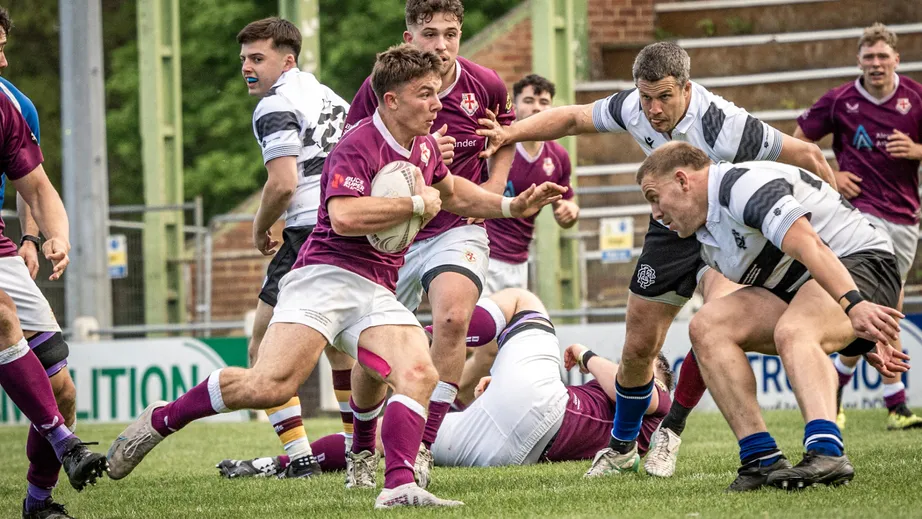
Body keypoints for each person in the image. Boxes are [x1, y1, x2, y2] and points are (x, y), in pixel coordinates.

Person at [105, 44, 565, 509]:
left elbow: (451, 193)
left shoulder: (425, 145)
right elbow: (344, 216)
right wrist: (413, 203)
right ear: (391, 100)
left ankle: (399, 485)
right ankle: (161, 419)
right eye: (425, 94)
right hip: (324, 277)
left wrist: (511, 206)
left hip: (376, 287)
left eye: (436, 94)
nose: (436, 103)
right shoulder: (357, 143)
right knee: (270, 385)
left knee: (419, 372)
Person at [477, 41, 837, 479]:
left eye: (664, 97)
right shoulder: (634, 105)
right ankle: (623, 447)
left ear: (686, 88)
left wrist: (835, 220)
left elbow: (809, 154)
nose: (652, 109)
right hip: (670, 226)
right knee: (637, 342)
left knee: (715, 323)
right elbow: (572, 117)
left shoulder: (725, 125)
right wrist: (512, 132)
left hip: (729, 230)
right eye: (645, 97)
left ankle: (676, 431)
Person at [637, 141, 908, 491]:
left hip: (860, 261)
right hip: (808, 285)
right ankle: (760, 458)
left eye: (653, 196)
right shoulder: (700, 231)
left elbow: (811, 245)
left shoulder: (742, 187)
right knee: (708, 326)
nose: (656, 213)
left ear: (682, 180)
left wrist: (854, 307)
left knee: (796, 330)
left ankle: (827, 452)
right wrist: (855, 333)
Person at [343, 0, 519, 488]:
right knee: (374, 355)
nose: (441, 45)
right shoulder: (381, 89)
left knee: (452, 317)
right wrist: (419, 165)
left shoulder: (486, 84)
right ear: (408, 39)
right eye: (429, 34)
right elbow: (354, 153)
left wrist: (492, 191)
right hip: (392, 234)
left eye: (450, 34)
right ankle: (360, 447)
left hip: (456, 224)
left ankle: (422, 446)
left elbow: (503, 139)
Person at [228, 288, 671, 479]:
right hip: (509, 453)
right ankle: (281, 463)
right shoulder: (636, 428)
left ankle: (421, 339)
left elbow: (640, 392)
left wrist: (589, 355)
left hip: (544, 412)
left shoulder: (656, 402)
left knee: (522, 302)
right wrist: (491, 395)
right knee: (389, 436)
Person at [230, 17, 358, 478]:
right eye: (244, 58)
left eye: (257, 59)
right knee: (341, 347)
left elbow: (283, 184)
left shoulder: (274, 104)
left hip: (306, 232)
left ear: (287, 60)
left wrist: (259, 225)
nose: (246, 67)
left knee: (263, 347)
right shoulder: (333, 99)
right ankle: (354, 448)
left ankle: (302, 458)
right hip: (347, 226)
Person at [0, 9, 107, 519]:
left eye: (2, 46)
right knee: (1, 318)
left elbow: (36, 186)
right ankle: (66, 443)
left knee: (61, 388)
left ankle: (38, 505)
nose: (1, 59)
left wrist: (47, 236)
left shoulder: (10, 105)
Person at [794, 23, 922, 431]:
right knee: (887, 303)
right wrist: (832, 176)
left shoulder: (916, 99)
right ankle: (895, 403)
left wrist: (918, 150)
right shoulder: (840, 101)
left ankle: (838, 383)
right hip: (859, 216)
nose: (876, 63)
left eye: (883, 56)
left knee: (883, 311)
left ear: (896, 60)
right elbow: (799, 142)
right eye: (868, 57)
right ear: (859, 62)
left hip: (904, 217)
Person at [483, 74, 579, 295]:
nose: (536, 108)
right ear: (515, 106)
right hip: (483, 255)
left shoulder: (558, 157)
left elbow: (566, 206)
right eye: (528, 101)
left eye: (543, 103)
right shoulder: (493, 146)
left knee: (511, 327)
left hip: (519, 261)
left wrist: (570, 212)